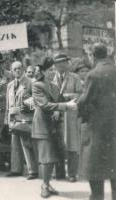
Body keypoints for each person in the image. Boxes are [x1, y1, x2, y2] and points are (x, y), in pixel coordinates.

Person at [75, 43, 116, 200]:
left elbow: (85, 101)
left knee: (95, 168)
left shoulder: (94, 74)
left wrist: (77, 104)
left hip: (98, 130)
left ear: (93, 55)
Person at [32, 57, 76, 198]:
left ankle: (47, 184)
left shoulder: (54, 86)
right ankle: (44, 185)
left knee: (52, 157)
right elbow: (44, 104)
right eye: (49, 70)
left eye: (53, 69)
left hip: (54, 125)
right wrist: (64, 107)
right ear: (43, 71)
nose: (52, 72)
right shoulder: (37, 85)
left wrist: (60, 109)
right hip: (43, 125)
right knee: (46, 157)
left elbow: (59, 101)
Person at [5, 61, 38, 179]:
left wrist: (27, 105)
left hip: (25, 118)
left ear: (23, 69)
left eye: (19, 68)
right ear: (12, 71)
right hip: (13, 118)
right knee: (14, 144)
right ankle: (16, 169)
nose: (17, 71)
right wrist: (7, 119)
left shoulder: (30, 82)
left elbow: (37, 99)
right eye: (14, 69)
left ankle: (32, 170)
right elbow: (8, 104)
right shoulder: (10, 85)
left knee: (26, 143)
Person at [52, 53, 83, 182]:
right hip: (56, 115)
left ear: (67, 63)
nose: (61, 66)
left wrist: (68, 96)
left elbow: (81, 95)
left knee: (72, 144)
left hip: (70, 115)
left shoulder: (75, 78)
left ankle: (72, 173)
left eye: (63, 63)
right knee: (58, 144)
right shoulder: (52, 79)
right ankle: (59, 172)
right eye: (58, 64)